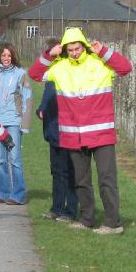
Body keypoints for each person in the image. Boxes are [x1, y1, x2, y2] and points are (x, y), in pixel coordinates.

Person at [28, 27, 132, 234]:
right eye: (71, 49)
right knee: (81, 181)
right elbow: (35, 74)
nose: (74, 52)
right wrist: (50, 54)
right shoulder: (59, 67)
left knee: (106, 179)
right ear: (65, 49)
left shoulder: (100, 63)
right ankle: (87, 219)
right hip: (73, 135)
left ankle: (113, 223)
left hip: (101, 134)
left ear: (84, 46)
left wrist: (104, 51)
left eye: (77, 48)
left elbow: (125, 68)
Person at [0, 43, 32, 205]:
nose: (6, 58)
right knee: (1, 160)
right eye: (3, 55)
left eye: (9, 56)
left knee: (14, 158)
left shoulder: (21, 74)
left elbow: (27, 98)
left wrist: (24, 124)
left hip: (13, 121)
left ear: (13, 57)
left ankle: (18, 195)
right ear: (0, 57)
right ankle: (3, 193)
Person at [36, 39, 77, 222]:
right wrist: (41, 109)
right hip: (53, 129)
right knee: (56, 171)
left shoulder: (71, 72)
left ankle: (71, 210)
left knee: (70, 171)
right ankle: (56, 207)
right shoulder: (53, 71)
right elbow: (48, 94)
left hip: (69, 130)